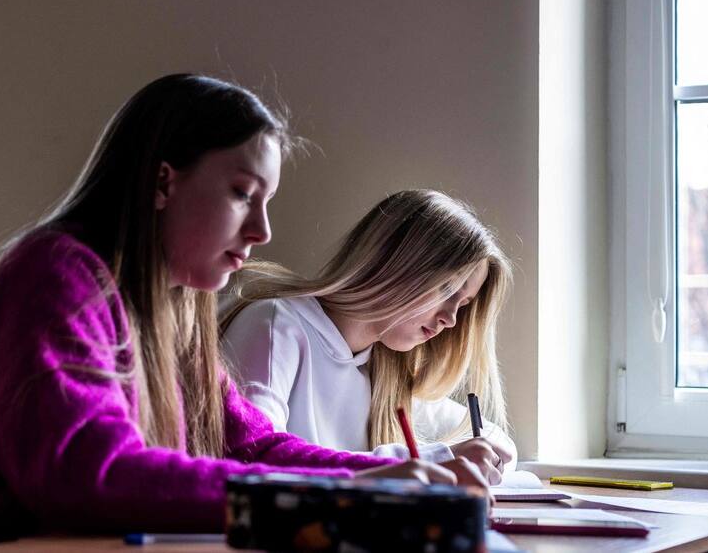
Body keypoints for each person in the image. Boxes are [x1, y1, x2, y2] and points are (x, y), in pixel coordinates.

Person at [0, 75, 489, 550]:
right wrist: (345, 492)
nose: (262, 230)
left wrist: (379, 480)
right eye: (243, 194)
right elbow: (94, 476)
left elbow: (252, 447)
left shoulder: (175, 310)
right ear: (162, 182)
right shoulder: (57, 273)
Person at [221, 189, 516, 484]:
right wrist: (435, 461)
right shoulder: (276, 326)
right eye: (447, 289)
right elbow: (253, 460)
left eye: (462, 305)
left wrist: (481, 454)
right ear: (395, 262)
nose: (450, 319)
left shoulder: (385, 370)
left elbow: (498, 442)